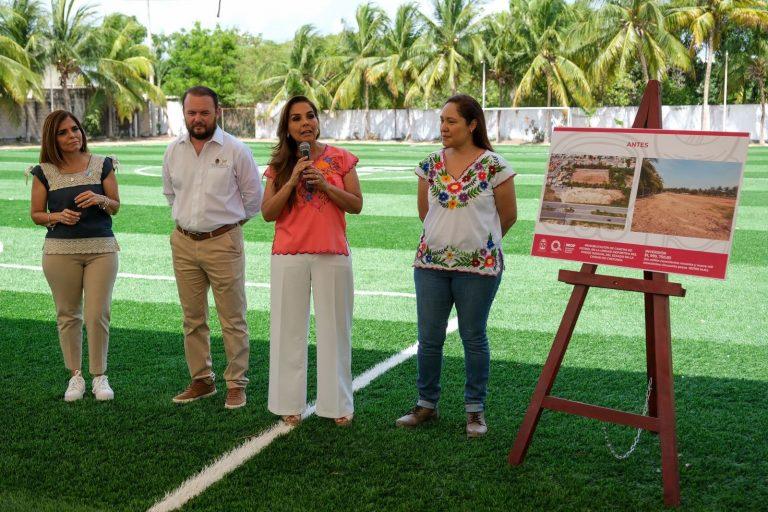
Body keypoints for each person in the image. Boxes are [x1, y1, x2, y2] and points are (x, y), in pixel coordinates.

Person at [395, 94, 518, 437]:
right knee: (429, 339)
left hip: (479, 269)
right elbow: (426, 214)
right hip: (430, 265)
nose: (444, 127)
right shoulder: (430, 165)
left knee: (473, 337)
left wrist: (480, 244)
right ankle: (425, 405)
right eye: (442, 121)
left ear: (472, 124)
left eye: (452, 121)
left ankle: (475, 411)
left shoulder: (495, 166)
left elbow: (508, 217)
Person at [261, 95, 362, 427]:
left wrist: (325, 185)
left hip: (332, 253)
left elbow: (356, 204)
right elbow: (267, 213)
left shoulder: (340, 158)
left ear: (318, 121)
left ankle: (338, 405)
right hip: (288, 254)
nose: (305, 123)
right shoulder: (279, 164)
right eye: (296, 119)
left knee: (335, 330)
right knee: (288, 331)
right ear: (287, 128)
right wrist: (291, 182)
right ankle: (289, 403)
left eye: (310, 116)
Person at [163, 86, 263, 409]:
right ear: (184, 114)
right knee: (192, 318)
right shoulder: (173, 151)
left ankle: (237, 383)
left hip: (223, 243)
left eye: (204, 112)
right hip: (183, 242)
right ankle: (202, 380)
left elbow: (254, 200)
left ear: (217, 112)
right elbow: (171, 195)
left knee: (232, 317)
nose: (198, 118)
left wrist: (226, 228)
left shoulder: (236, 149)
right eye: (192, 112)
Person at [28, 110, 121, 402]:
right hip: (59, 252)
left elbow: (116, 206)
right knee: (68, 315)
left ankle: (100, 376)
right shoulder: (43, 171)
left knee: (97, 314)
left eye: (75, 129)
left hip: (101, 250)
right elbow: (36, 214)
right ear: (52, 138)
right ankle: (75, 377)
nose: (73, 136)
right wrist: (57, 216)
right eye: (64, 132)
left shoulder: (102, 164)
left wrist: (99, 199)